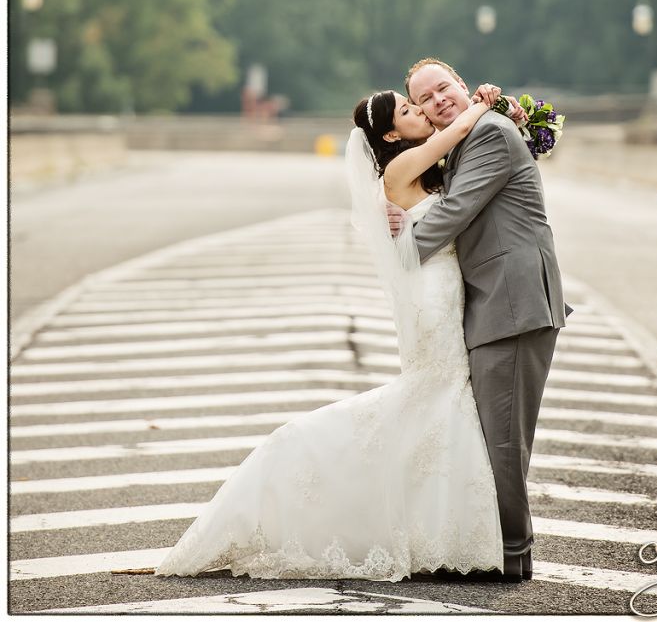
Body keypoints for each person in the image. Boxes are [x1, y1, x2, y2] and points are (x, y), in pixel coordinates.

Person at [155, 83, 514, 582]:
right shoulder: (399, 169)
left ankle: (439, 530)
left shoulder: (421, 168)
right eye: (410, 110)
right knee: (439, 388)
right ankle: (317, 460)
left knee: (442, 396)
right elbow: (452, 132)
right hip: (429, 292)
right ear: (391, 132)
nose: (420, 112)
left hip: (444, 283)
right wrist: (484, 104)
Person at [387, 57, 573, 583]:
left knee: (504, 438)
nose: (436, 100)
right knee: (493, 432)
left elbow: (457, 210)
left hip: (513, 302)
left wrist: (396, 253)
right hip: (493, 302)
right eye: (424, 98)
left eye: (442, 88)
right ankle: (499, 547)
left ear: (462, 86)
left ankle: (513, 553)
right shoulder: (464, 140)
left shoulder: (489, 133)